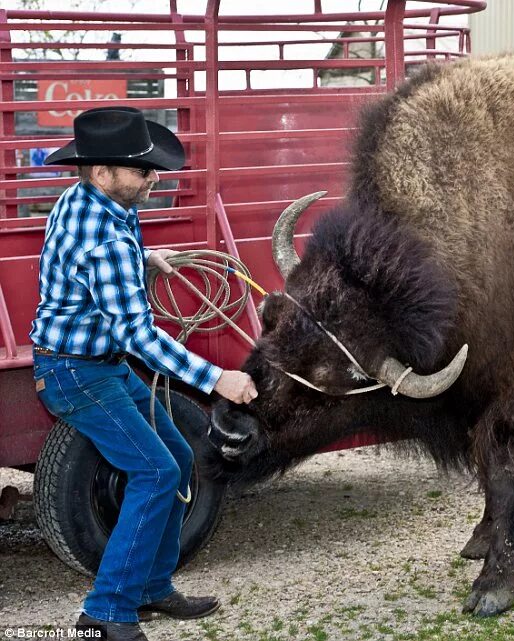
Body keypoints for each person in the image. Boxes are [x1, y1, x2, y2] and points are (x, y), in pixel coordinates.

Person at [30, 107, 258, 641]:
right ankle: (105, 612)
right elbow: (139, 338)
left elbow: (93, 257)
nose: (154, 177)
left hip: (94, 363)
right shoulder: (105, 243)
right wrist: (216, 379)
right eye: (142, 170)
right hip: (77, 372)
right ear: (102, 172)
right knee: (156, 473)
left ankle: (152, 586)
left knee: (177, 458)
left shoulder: (89, 202)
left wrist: (146, 256)